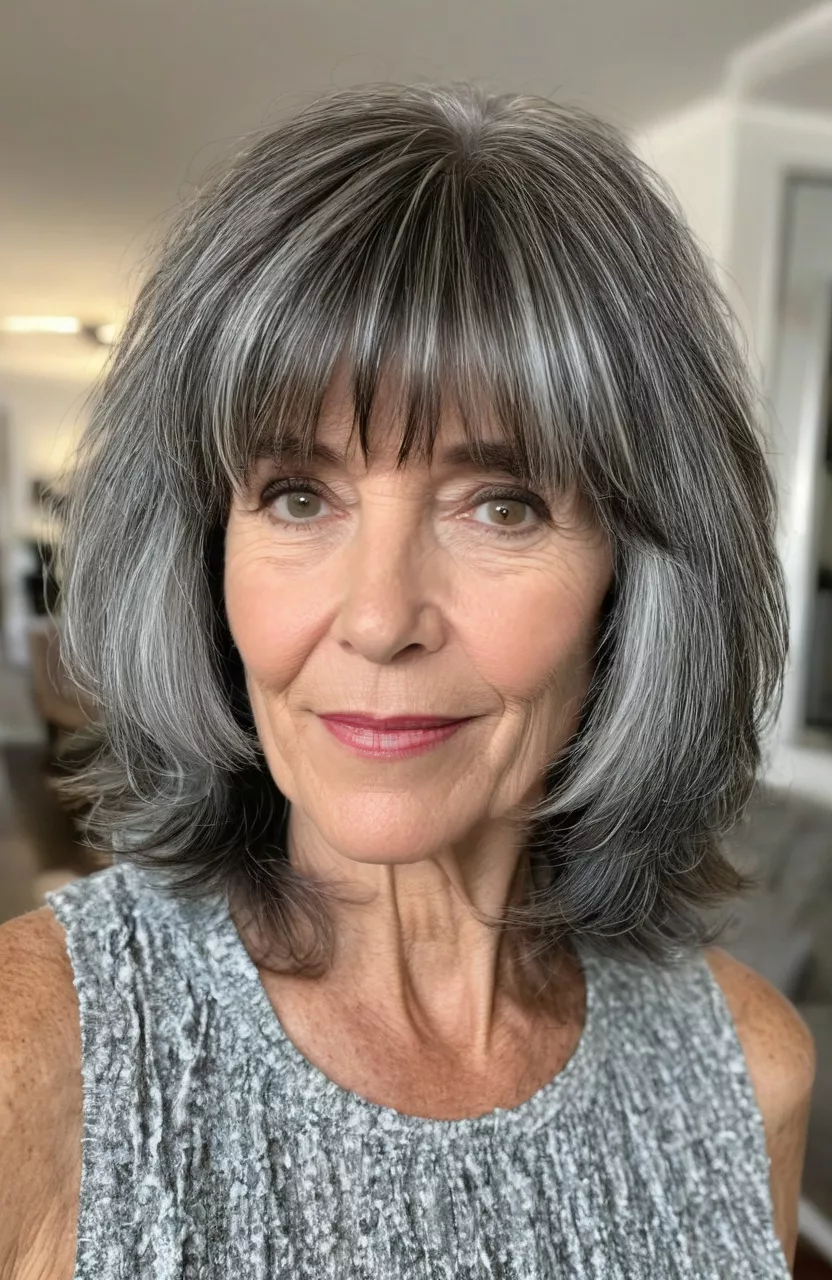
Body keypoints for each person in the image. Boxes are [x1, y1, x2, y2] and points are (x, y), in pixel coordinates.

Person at [0, 82, 815, 1279]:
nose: (380, 617)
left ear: (633, 580)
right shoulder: (35, 1055)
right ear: (202, 551)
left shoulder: (751, 1066)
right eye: (296, 493)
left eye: (501, 502)